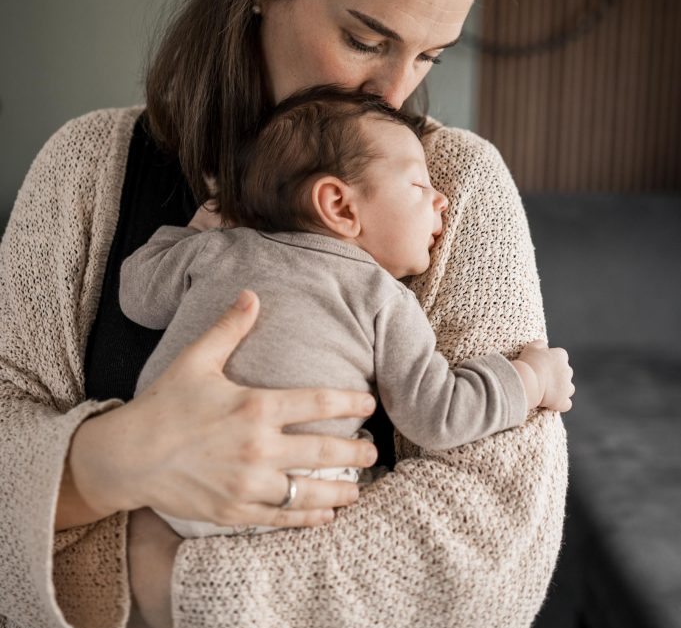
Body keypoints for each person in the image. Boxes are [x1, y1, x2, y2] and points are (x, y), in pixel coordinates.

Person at [0, 0, 569, 628]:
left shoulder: (453, 191)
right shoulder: (86, 171)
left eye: (428, 56)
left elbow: (493, 523)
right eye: (364, 38)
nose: (394, 94)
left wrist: (154, 584)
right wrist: (120, 455)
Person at [119, 85, 573, 550]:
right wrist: (530, 379)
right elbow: (437, 415)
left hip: (164, 478)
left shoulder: (219, 250)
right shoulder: (382, 297)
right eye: (419, 185)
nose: (442, 201)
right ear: (340, 206)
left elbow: (137, 295)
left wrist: (198, 230)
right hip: (293, 498)